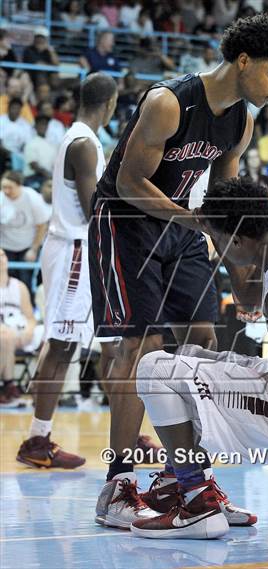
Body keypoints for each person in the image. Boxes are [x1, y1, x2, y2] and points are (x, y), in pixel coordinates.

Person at [89, 14, 268, 529]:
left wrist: (242, 274)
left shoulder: (240, 121)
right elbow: (132, 182)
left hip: (181, 223)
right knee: (141, 348)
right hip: (125, 220)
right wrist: (195, 219)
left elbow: (225, 206)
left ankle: (182, 479)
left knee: (200, 341)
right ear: (243, 61)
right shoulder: (168, 102)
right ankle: (118, 485)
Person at [132, 177, 268, 541]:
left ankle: (197, 502)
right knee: (187, 357)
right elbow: (249, 302)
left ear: (236, 238)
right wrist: (226, 246)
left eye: (218, 242)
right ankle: (186, 480)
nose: (216, 251)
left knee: (153, 371)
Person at [16, 73, 118, 469]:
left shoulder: (82, 139)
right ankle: (37, 440)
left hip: (82, 251)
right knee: (60, 345)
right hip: (75, 251)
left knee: (114, 342)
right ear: (108, 105)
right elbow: (96, 210)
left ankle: (129, 434)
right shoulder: (82, 143)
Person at [0, 170, 50, 292]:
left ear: (19, 185)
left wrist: (33, 249)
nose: (6, 191)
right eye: (3, 187)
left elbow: (42, 225)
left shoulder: (32, 197)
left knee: (25, 281)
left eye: (10, 187)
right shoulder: (1, 198)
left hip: (27, 246)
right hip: (6, 246)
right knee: (6, 280)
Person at [0, 248, 37, 407]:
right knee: (6, 337)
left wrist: (29, 330)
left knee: (51, 340)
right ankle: (9, 386)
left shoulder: (19, 286)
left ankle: (38, 387)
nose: (0, 259)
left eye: (2, 255)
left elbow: (30, 317)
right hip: (4, 333)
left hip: (20, 331)